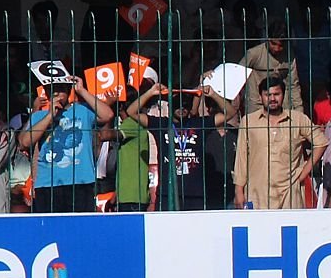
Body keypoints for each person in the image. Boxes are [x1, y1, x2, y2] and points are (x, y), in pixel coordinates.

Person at [126, 78, 235, 211]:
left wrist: (213, 94)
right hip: (168, 193)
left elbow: (230, 113)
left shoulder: (199, 124)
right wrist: (150, 92)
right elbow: (131, 112)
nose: (182, 108)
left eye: (186, 105)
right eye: (177, 105)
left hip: (195, 194)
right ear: (170, 106)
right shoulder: (161, 124)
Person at [18, 76, 114, 213]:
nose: (56, 94)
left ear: (69, 91)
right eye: (52, 91)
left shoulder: (82, 110)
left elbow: (108, 115)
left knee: (80, 227)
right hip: (48, 183)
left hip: (81, 182)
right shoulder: (39, 117)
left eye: (60, 90)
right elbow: (25, 142)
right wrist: (49, 116)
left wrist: (82, 91)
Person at [234, 76, 327, 209]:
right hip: (258, 194)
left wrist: (303, 173)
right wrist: (239, 190)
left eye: (276, 94)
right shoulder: (249, 121)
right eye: (268, 95)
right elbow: (241, 158)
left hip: (290, 195)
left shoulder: (297, 119)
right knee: (260, 229)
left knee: (290, 229)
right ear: (261, 97)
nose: (272, 99)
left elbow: (321, 142)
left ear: (283, 95)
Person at [238, 21, 304, 114]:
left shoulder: (289, 55)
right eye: (273, 43)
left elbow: (293, 85)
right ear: (267, 39)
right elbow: (237, 76)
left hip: (281, 105)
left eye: (281, 45)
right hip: (257, 104)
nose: (277, 48)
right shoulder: (254, 54)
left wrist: (299, 109)